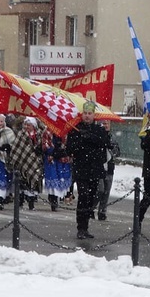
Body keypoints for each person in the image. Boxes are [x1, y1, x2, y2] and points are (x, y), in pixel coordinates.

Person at [66, 102, 110, 239]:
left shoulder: (99, 130)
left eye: (89, 114)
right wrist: (80, 139)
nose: (87, 116)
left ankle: (86, 227)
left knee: (92, 197)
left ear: (93, 115)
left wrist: (90, 137)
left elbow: (105, 142)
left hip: (95, 169)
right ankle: (81, 227)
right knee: (83, 196)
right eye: (85, 113)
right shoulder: (75, 129)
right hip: (82, 168)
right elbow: (70, 149)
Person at [9, 117, 43, 211]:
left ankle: (31, 203)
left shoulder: (39, 134)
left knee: (33, 182)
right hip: (23, 161)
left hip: (35, 161)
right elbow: (17, 147)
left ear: (34, 126)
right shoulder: (21, 134)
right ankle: (20, 202)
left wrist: (39, 149)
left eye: (29, 125)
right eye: (26, 125)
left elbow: (42, 146)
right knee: (22, 182)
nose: (27, 127)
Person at [93, 120, 120, 221]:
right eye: (103, 123)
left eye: (107, 124)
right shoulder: (97, 136)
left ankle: (102, 211)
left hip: (109, 167)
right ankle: (91, 207)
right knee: (100, 190)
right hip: (100, 167)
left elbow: (117, 152)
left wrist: (112, 147)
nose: (105, 126)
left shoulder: (112, 137)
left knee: (107, 191)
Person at [43, 130, 71, 212]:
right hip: (51, 160)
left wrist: (63, 150)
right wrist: (53, 151)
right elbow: (45, 146)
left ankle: (57, 198)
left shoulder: (65, 132)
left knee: (61, 179)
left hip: (62, 160)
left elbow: (68, 145)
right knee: (53, 178)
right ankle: (53, 199)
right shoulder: (47, 132)